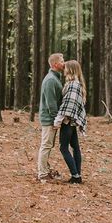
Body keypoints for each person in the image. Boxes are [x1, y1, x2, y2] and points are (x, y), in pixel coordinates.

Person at [54, 60, 87, 184]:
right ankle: (77, 175)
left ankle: (75, 175)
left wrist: (58, 121)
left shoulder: (73, 85)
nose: (64, 70)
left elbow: (69, 105)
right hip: (73, 121)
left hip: (68, 121)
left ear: (71, 70)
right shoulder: (77, 84)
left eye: (66, 68)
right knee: (75, 147)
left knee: (63, 148)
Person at [37, 53, 65, 181]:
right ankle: (42, 173)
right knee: (46, 145)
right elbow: (51, 103)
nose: (64, 63)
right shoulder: (50, 80)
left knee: (48, 145)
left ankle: (46, 170)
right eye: (62, 61)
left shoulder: (55, 78)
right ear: (55, 64)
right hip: (49, 119)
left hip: (52, 118)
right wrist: (56, 119)